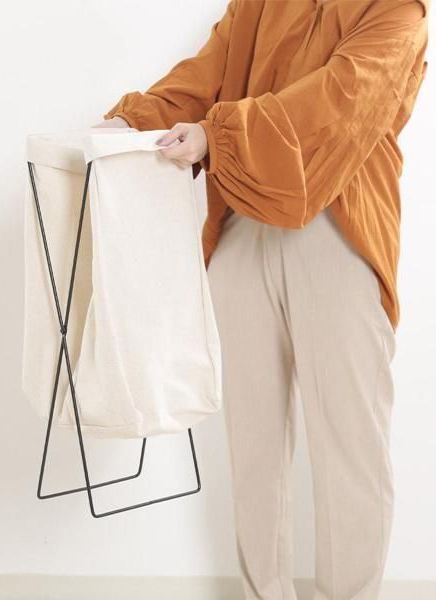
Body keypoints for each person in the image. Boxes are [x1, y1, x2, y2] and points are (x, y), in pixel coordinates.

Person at [93, 1, 430, 599]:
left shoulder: (397, 11)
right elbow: (206, 74)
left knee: (349, 447)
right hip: (243, 226)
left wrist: (214, 137)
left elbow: (338, 100)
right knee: (254, 448)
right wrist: (133, 122)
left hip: (341, 233)